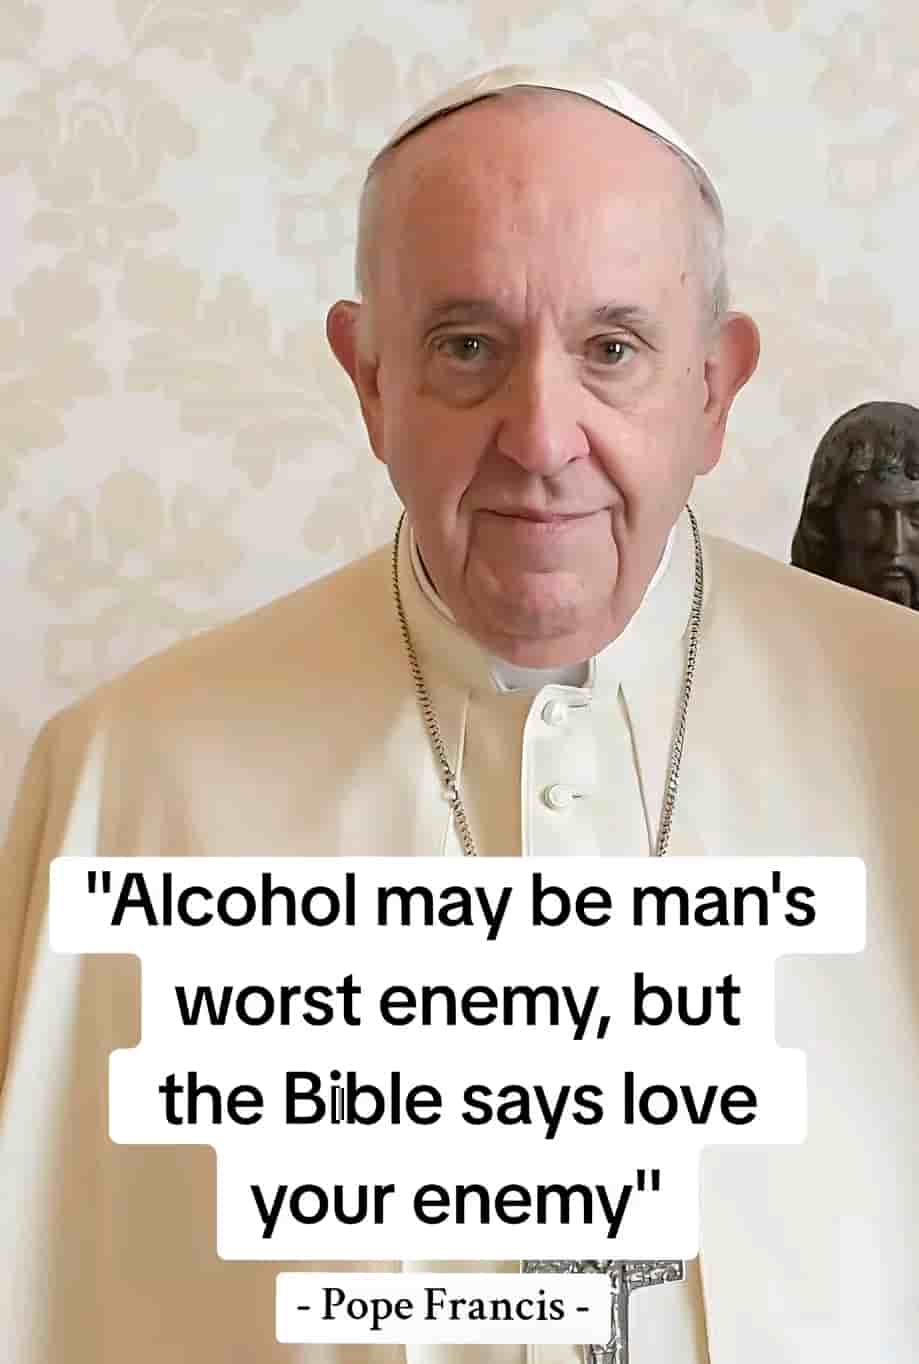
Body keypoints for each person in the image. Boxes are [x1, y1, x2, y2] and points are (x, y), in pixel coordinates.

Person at [4, 62, 919, 1364]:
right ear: (368, 377)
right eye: (467, 347)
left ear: (715, 388)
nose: (539, 437)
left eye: (611, 349)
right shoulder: (128, 783)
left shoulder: (896, 727)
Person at [792, 399, 919, 608]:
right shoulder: (766, 617)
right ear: (827, 523)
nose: (896, 547)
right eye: (872, 517)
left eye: (916, 517)